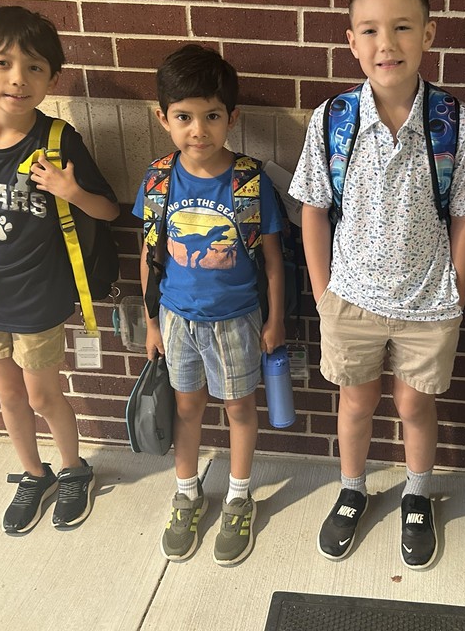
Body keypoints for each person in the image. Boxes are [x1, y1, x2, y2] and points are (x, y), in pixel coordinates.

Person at [289, 0, 465, 570]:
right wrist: (324, 292)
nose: (388, 43)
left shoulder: (455, 123)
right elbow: (313, 209)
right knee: (356, 404)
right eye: (372, 30)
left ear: (428, 34)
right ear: (352, 42)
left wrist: (455, 288)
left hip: (430, 303)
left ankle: (416, 493)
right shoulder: (333, 120)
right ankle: (353, 488)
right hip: (349, 298)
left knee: (412, 406)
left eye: (403, 27)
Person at [0, 6, 120, 533]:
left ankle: (75, 469)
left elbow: (109, 210)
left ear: (53, 79)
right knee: (8, 395)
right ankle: (35, 474)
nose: (17, 78)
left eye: (34, 67)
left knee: (41, 395)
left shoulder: (57, 138)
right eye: (3, 63)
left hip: (39, 296)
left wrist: (70, 190)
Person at [135, 44, 285, 565]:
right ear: (164, 118)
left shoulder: (249, 181)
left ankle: (240, 497)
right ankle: (187, 490)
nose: (198, 130)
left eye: (211, 116)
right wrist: (151, 321)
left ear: (231, 117)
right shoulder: (157, 181)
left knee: (240, 408)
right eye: (184, 117)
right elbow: (151, 257)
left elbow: (272, 260)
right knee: (186, 407)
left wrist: (276, 319)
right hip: (176, 319)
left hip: (238, 321)